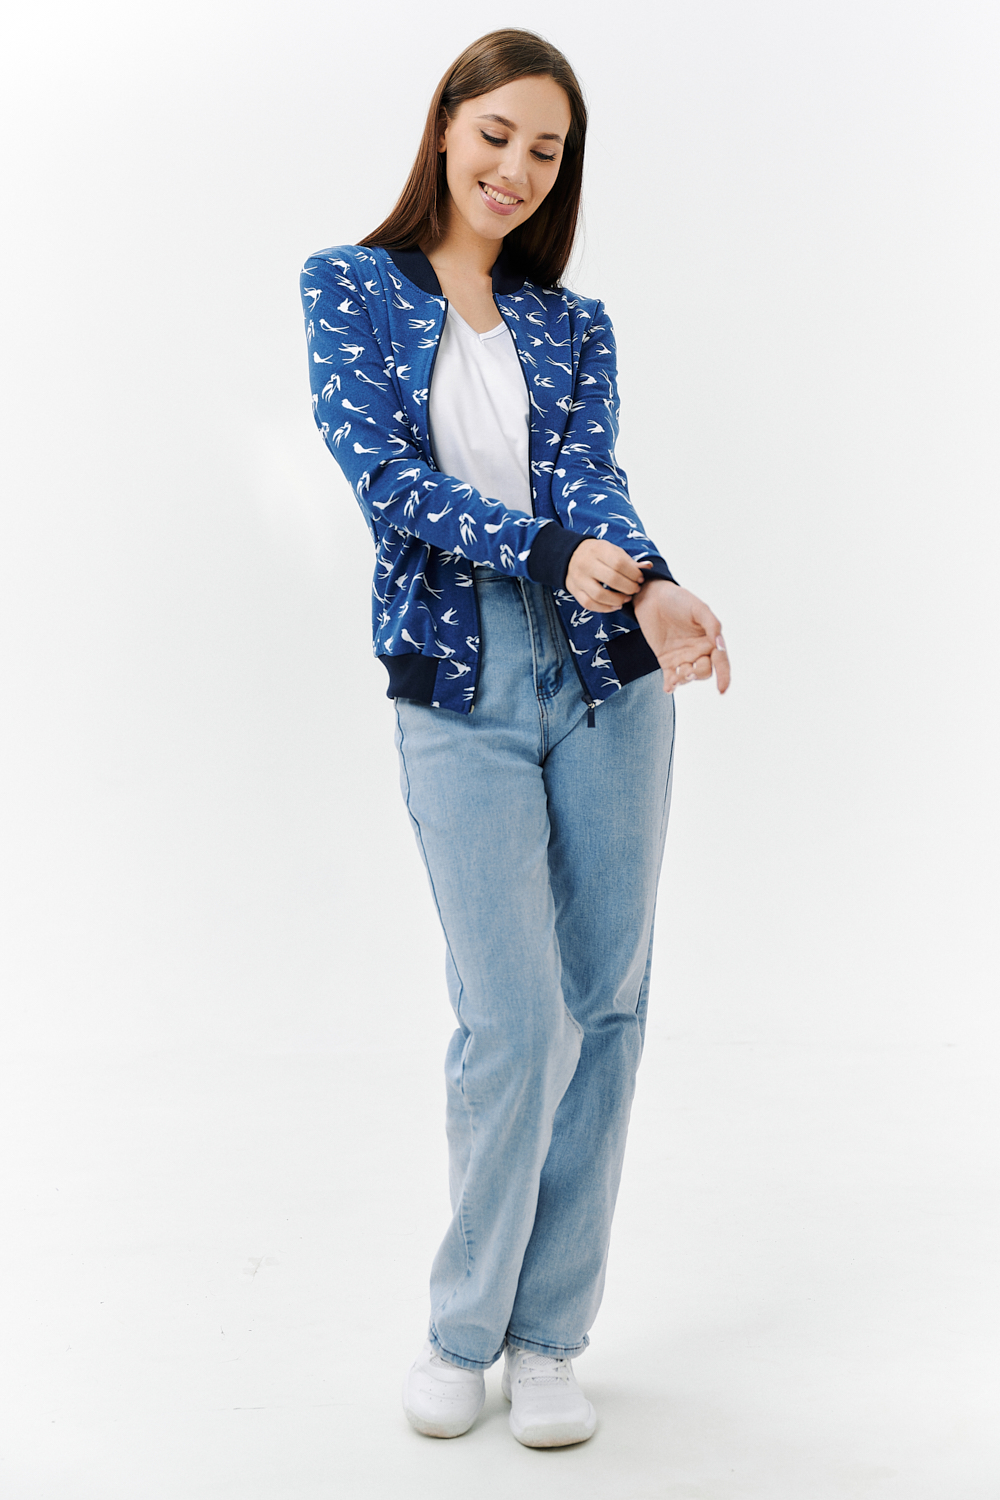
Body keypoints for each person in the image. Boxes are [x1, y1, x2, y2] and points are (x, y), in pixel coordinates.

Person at [300, 27, 730, 1451]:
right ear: (445, 128)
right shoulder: (348, 287)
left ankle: (550, 1335)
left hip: (606, 677)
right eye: (497, 135)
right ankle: (461, 1328)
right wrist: (548, 551)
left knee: (606, 1004)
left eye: (547, 151)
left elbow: (593, 478)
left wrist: (655, 586)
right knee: (511, 1018)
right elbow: (386, 480)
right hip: (458, 683)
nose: (517, 169)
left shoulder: (573, 322)